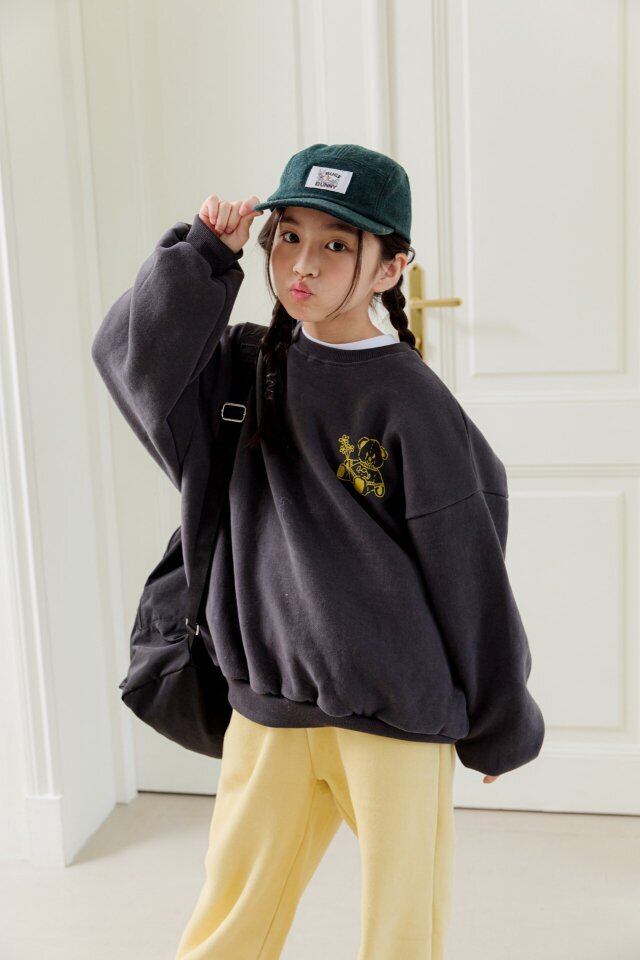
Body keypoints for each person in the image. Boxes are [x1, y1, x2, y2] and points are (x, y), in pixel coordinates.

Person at [91, 143, 545, 959]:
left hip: (394, 719)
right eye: (289, 236)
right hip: (267, 705)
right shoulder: (240, 368)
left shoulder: (412, 401)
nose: (302, 264)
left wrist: (499, 719)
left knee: (401, 932)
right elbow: (129, 359)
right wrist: (202, 257)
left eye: (337, 244)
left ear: (390, 267)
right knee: (231, 917)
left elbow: (469, 571)